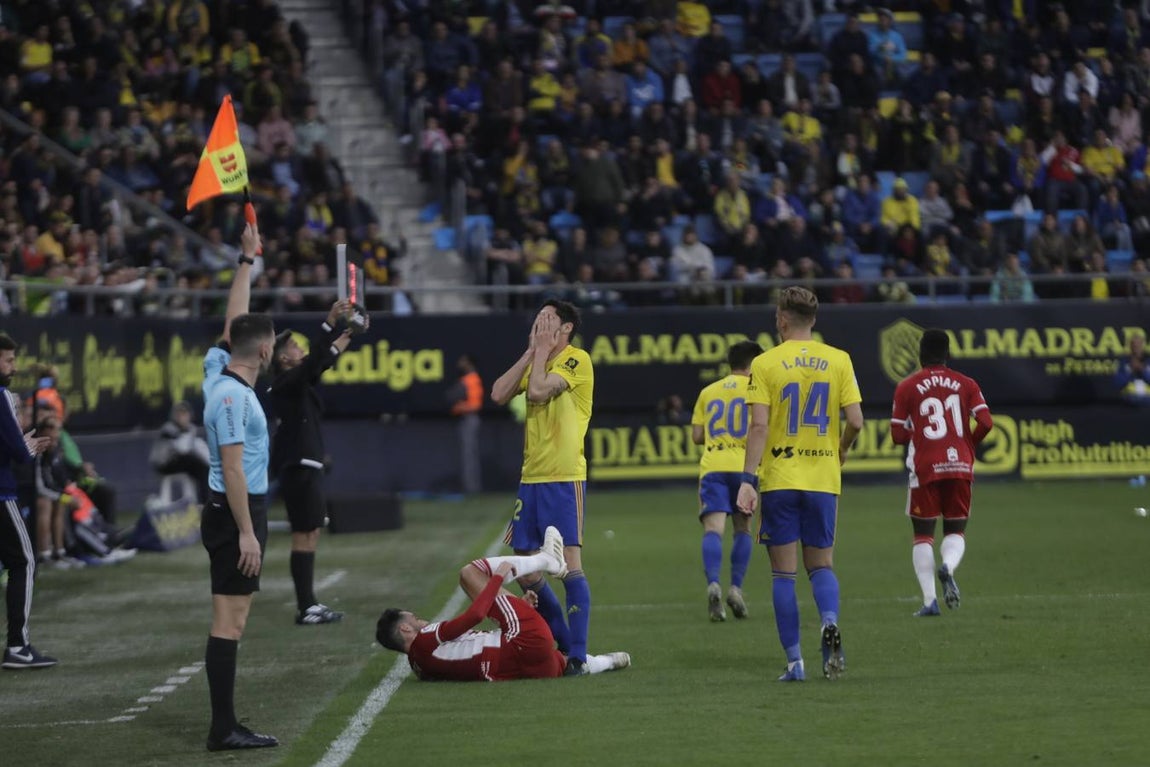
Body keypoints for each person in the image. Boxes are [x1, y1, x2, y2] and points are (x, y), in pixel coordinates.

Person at [736, 287, 864, 682]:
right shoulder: (838, 359)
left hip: (780, 479)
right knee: (822, 566)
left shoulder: (766, 363)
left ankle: (795, 663)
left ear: (782, 320)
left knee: (783, 576)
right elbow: (857, 420)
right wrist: (840, 449)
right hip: (823, 478)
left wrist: (746, 479)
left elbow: (759, 425)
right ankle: (828, 620)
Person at [200, 221, 279, 751]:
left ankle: (225, 723)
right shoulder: (233, 398)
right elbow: (231, 468)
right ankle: (222, 729)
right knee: (230, 619)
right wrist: (247, 532)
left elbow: (235, 322)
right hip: (235, 511)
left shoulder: (219, 370)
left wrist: (246, 259)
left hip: (237, 508)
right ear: (265, 350)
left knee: (236, 615)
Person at [375, 526, 630, 681]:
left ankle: (606, 662)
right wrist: (498, 579)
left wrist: (516, 605)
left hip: (526, 667)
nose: (421, 620)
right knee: (469, 574)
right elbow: (475, 616)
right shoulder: (425, 639)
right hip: (524, 641)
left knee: (562, 665)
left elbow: (470, 646)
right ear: (405, 630)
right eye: (415, 618)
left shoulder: (419, 668)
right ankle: (546, 560)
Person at [490, 300, 594, 676]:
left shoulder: (576, 360)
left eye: (546, 319)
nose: (538, 323)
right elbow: (499, 393)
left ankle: (578, 656)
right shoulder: (540, 358)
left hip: (563, 477)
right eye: (537, 319)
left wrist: (543, 354)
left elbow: (536, 392)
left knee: (568, 566)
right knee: (526, 567)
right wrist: (532, 352)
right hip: (531, 477)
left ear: (565, 328)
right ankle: (565, 644)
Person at [268, 298, 368, 626]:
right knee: (304, 533)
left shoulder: (297, 381)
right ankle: (305, 606)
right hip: (297, 467)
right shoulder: (284, 382)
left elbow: (321, 361)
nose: (301, 348)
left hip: (306, 465)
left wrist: (349, 333)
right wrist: (328, 323)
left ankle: (309, 603)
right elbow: (314, 364)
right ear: (284, 357)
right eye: (296, 346)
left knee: (311, 532)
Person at [890, 329, 994, 616]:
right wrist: (966, 444)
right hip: (959, 464)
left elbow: (898, 435)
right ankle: (947, 567)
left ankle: (929, 602)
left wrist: (918, 430)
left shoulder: (907, 386)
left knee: (923, 535)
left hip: (925, 467)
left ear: (920, 355)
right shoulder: (966, 383)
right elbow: (986, 421)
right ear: (948, 355)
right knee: (956, 529)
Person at [690, 340, 763, 622]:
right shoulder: (757, 390)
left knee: (713, 529)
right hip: (745, 467)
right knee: (743, 528)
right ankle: (735, 589)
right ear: (753, 364)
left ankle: (713, 584)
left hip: (713, 467)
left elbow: (697, 436)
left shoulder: (708, 392)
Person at [0, 333, 55, 669]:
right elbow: (20, 454)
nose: (13, 367)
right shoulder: (3, 396)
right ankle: (18, 646)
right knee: (25, 561)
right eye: (7, 360)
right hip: (1, 494)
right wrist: (30, 445)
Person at [150, 401, 211, 504]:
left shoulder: (190, 428)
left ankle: (203, 500)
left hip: (179, 461)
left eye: (184, 414)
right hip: (164, 464)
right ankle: (204, 502)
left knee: (203, 468)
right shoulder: (169, 429)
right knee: (198, 465)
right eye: (179, 414)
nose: (182, 417)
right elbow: (182, 449)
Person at [448, 354, 483, 494]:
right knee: (467, 456)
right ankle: (469, 488)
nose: (460, 363)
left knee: (469, 456)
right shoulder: (465, 379)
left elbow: (475, 405)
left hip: (470, 419)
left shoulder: (472, 380)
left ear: (469, 363)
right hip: (465, 420)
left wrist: (458, 407)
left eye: (463, 360)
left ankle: (472, 489)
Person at [1115, 332, 1150, 406]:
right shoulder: (1124, 361)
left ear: (1143, 345)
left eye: (1138, 344)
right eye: (1133, 345)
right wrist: (1131, 370)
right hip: (1130, 398)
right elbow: (1117, 383)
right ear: (1130, 346)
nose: (1136, 347)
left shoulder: (1148, 360)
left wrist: (1143, 370)